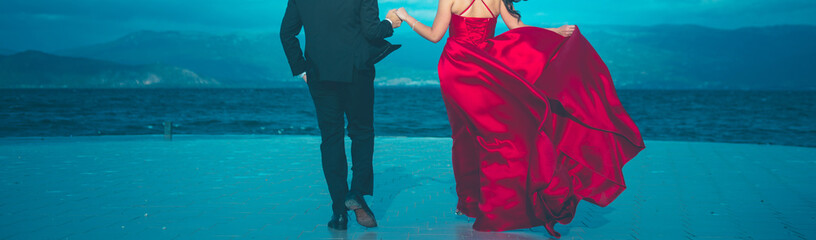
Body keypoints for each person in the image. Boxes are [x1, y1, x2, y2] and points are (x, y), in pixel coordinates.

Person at [394, 0, 645, 237]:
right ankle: (486, 203)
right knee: (493, 133)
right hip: (487, 68)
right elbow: (517, 28)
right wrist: (553, 31)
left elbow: (434, 36)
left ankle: (474, 204)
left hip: (456, 67)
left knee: (463, 135)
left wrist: (407, 17)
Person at [280, 0, 402, 230]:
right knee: (362, 133)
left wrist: (301, 69)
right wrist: (390, 23)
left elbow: (287, 33)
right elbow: (372, 30)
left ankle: (339, 213)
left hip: (319, 74)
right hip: (356, 72)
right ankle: (356, 192)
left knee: (331, 139)